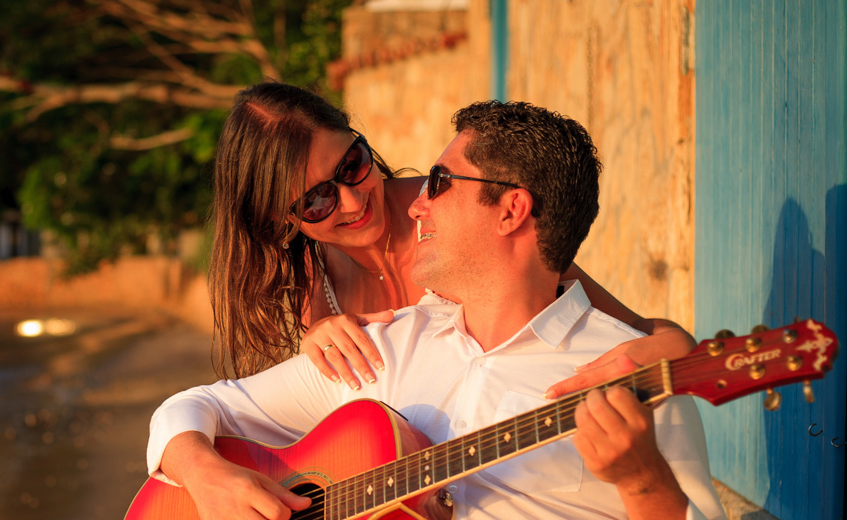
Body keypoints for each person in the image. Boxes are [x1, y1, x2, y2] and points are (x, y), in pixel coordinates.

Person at [143, 101, 743, 520]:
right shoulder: (379, 348)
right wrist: (208, 475)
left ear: (512, 209)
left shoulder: (627, 373)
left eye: (434, 183)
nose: (413, 203)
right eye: (316, 201)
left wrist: (643, 477)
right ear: (287, 221)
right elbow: (195, 407)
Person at [207, 82, 695, 394]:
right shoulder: (314, 282)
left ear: (358, 140)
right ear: (279, 219)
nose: (353, 202)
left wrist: (660, 352)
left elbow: (651, 334)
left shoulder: (458, 216)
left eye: (351, 166)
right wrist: (316, 341)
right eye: (316, 200)